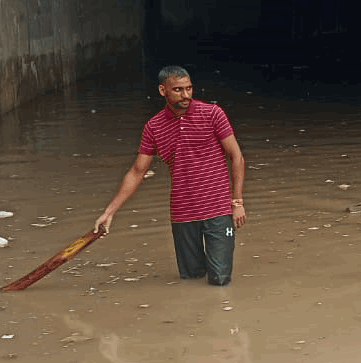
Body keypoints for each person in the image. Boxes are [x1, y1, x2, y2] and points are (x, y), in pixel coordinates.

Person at [94, 65, 247, 285]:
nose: (186, 95)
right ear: (162, 90)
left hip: (219, 210)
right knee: (191, 278)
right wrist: (109, 212)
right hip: (183, 213)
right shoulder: (154, 127)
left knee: (220, 279)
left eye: (189, 88)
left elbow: (237, 157)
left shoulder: (213, 113)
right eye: (178, 90)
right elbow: (137, 171)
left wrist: (237, 201)